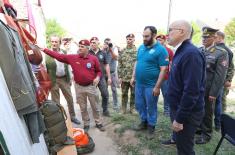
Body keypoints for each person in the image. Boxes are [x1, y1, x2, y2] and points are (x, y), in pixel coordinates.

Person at [161, 20, 206, 155]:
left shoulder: (190, 53)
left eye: (170, 30)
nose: (167, 34)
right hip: (179, 108)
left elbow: (191, 91)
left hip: (187, 113)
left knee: (185, 149)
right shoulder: (182, 51)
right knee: (181, 145)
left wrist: (180, 119)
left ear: (181, 31)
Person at [42, 39, 105, 132]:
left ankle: (98, 122)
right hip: (79, 87)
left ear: (87, 48)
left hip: (91, 86)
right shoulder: (73, 57)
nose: (80, 48)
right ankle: (86, 123)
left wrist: (97, 78)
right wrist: (44, 49)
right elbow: (59, 56)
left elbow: (99, 71)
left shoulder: (93, 58)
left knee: (95, 106)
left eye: (82, 47)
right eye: (79, 46)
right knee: (83, 108)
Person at [131, 26, 168, 139]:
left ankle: (151, 126)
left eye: (147, 36)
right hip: (139, 84)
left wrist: (157, 87)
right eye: (143, 36)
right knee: (139, 104)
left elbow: (163, 69)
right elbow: (137, 62)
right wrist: (133, 76)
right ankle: (144, 122)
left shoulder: (161, 50)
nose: (144, 38)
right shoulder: (141, 47)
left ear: (154, 35)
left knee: (151, 106)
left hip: (151, 85)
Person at [195, 27, 228, 144]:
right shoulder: (199, 50)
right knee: (198, 109)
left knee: (208, 111)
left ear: (214, 38)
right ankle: (199, 129)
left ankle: (207, 134)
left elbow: (220, 76)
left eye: (207, 37)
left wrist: (214, 93)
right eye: (203, 37)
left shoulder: (221, 53)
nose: (204, 39)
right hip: (197, 87)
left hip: (209, 88)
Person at [45, 35, 80, 124]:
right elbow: (44, 68)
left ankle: (73, 116)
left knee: (70, 98)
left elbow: (68, 65)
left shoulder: (64, 52)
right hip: (53, 80)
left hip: (64, 79)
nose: (54, 44)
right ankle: (59, 118)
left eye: (56, 42)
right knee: (56, 101)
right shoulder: (46, 53)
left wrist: (71, 77)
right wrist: (47, 82)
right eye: (52, 42)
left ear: (59, 43)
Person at [213, 31, 234, 130]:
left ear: (220, 38)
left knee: (219, 102)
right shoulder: (216, 49)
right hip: (218, 79)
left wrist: (228, 79)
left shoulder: (226, 51)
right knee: (218, 102)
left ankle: (219, 124)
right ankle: (218, 124)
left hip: (219, 80)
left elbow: (230, 67)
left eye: (215, 37)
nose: (213, 38)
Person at [89, 37, 112, 117]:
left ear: (98, 43)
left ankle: (105, 110)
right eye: (91, 42)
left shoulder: (103, 53)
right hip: (91, 78)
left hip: (101, 77)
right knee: (93, 96)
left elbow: (106, 65)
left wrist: (109, 77)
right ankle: (95, 111)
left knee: (105, 94)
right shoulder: (88, 53)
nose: (92, 43)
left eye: (94, 42)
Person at [118, 34, 137, 114]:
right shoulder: (122, 51)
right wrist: (119, 76)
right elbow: (120, 64)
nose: (129, 40)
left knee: (134, 94)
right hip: (124, 77)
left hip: (134, 77)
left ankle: (132, 108)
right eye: (128, 39)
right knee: (124, 93)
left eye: (131, 39)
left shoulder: (137, 51)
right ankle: (123, 109)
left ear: (134, 40)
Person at [156, 34, 174, 116]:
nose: (159, 41)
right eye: (158, 40)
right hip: (155, 76)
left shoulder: (169, 50)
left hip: (165, 77)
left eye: (160, 40)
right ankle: (153, 108)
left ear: (164, 41)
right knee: (154, 93)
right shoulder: (153, 49)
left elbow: (172, 64)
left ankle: (167, 110)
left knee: (166, 94)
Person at [103, 38, 119, 111]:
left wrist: (111, 49)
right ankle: (106, 103)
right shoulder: (102, 51)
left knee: (114, 89)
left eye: (109, 43)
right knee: (104, 89)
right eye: (106, 43)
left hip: (112, 74)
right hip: (104, 74)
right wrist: (104, 49)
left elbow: (116, 58)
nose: (108, 45)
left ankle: (115, 104)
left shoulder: (113, 50)